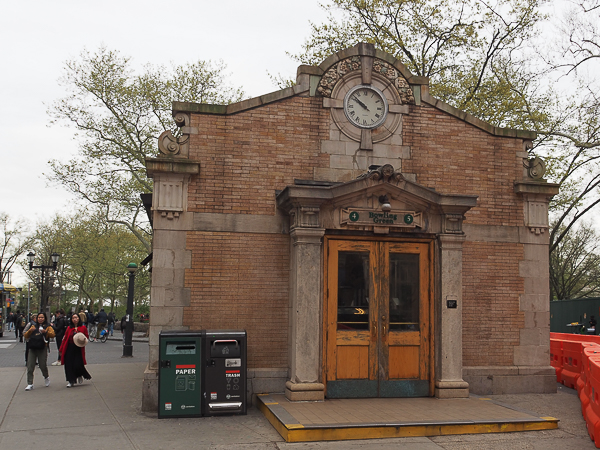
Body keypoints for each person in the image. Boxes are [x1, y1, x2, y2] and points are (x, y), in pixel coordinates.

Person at [22, 312, 55, 391]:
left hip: (42, 348)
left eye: (42, 317)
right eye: (39, 317)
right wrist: (30, 330)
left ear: (45, 318)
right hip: (32, 348)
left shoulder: (47, 326)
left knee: (42, 365)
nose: (40, 319)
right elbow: (25, 335)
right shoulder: (33, 326)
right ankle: (30, 383)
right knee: (30, 366)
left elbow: (53, 334)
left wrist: (45, 332)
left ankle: (46, 377)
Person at [59, 313, 92, 388]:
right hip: (69, 347)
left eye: (76, 318)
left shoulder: (83, 328)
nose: (75, 319)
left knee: (77, 364)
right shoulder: (69, 328)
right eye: (73, 318)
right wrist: (61, 349)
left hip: (78, 348)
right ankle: (71, 380)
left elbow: (86, 337)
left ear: (79, 319)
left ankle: (79, 374)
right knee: (69, 365)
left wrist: (81, 337)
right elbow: (65, 339)